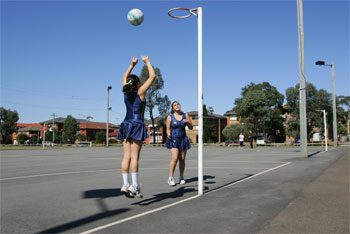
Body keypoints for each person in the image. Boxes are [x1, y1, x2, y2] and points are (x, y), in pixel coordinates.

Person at [117, 56, 156, 198]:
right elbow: (152, 76)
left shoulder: (125, 93)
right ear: (138, 83)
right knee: (135, 157)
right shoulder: (140, 92)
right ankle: (134, 185)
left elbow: (124, 77)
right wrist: (147, 62)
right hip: (137, 124)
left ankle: (125, 184)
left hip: (126, 124)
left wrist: (132, 65)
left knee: (126, 156)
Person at [165, 101, 193, 186]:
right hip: (174, 139)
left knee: (182, 159)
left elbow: (191, 127)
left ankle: (181, 176)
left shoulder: (185, 115)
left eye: (178, 104)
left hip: (183, 139)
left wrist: (187, 121)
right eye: (175, 105)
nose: (177, 106)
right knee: (175, 158)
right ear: (173, 108)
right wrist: (168, 134)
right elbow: (168, 129)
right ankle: (171, 178)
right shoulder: (170, 117)